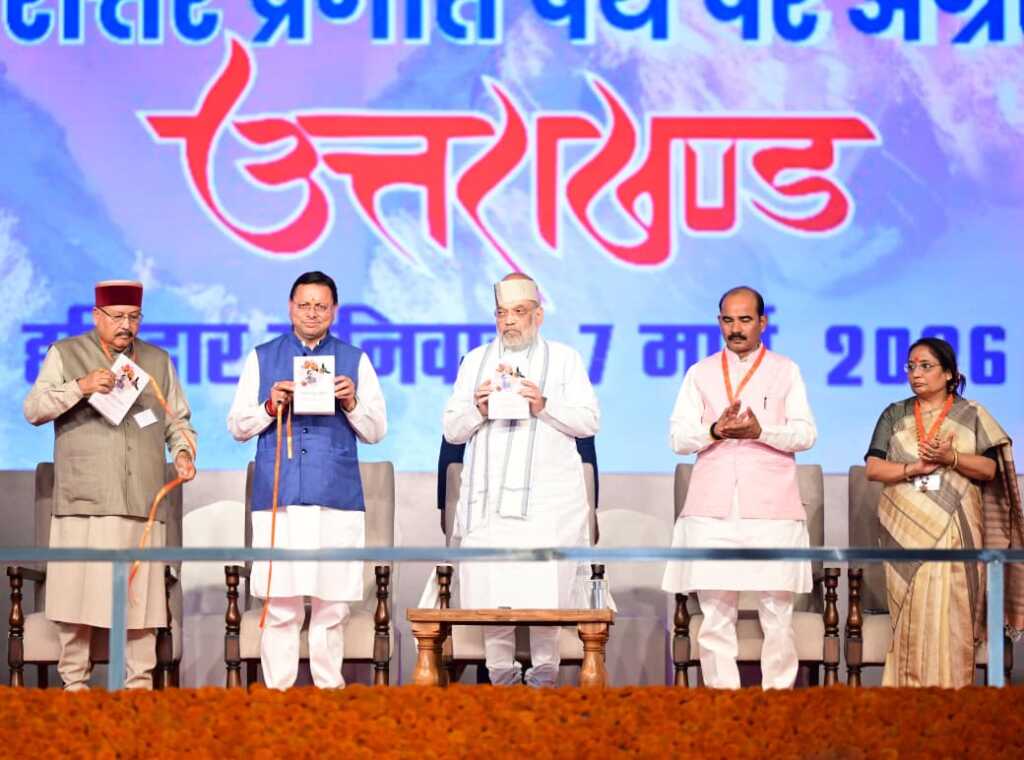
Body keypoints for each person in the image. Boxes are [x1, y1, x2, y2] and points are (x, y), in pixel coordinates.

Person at [23, 280, 196, 690]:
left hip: (141, 501)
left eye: (134, 317)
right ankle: (75, 687)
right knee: (77, 599)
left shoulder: (157, 360)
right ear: (96, 316)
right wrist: (81, 387)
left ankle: (138, 689)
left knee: (139, 603)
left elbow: (177, 420)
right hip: (85, 499)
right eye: (117, 316)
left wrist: (184, 452)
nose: (126, 325)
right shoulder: (66, 353)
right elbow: (33, 409)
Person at [227, 271, 387, 689]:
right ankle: (278, 694)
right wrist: (269, 406)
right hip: (279, 495)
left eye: (321, 305)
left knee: (332, 605)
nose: (312, 313)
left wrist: (351, 401)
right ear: (290, 308)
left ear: (334, 310)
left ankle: (329, 692)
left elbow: (376, 431)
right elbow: (237, 426)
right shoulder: (263, 357)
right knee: (281, 603)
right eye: (304, 305)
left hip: (336, 495)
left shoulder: (354, 360)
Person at [442, 273, 600, 686]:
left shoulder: (565, 359)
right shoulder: (475, 361)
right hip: (490, 506)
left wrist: (543, 404)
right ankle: (501, 678)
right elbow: (452, 430)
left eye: (518, 311)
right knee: (495, 594)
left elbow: (589, 421)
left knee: (544, 594)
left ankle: (545, 677)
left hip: (547, 507)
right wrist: (477, 409)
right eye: (502, 313)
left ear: (538, 315)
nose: (509, 321)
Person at [661, 286, 816, 689]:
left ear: (762, 322)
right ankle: (721, 702)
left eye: (745, 319)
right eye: (728, 320)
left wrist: (761, 431)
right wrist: (715, 430)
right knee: (715, 615)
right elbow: (678, 438)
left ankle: (777, 700)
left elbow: (806, 434)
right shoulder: (700, 372)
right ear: (719, 323)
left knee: (777, 614)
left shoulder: (785, 370)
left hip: (771, 508)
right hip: (712, 508)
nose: (736, 328)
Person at [865, 337, 1024, 687]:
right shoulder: (894, 414)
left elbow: (989, 470)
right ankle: (904, 702)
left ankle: (953, 703)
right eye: (911, 367)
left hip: (957, 531)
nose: (916, 374)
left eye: (925, 366)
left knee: (954, 614)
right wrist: (914, 469)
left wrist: (950, 458)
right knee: (910, 617)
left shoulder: (972, 414)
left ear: (949, 373)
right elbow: (874, 468)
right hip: (905, 533)